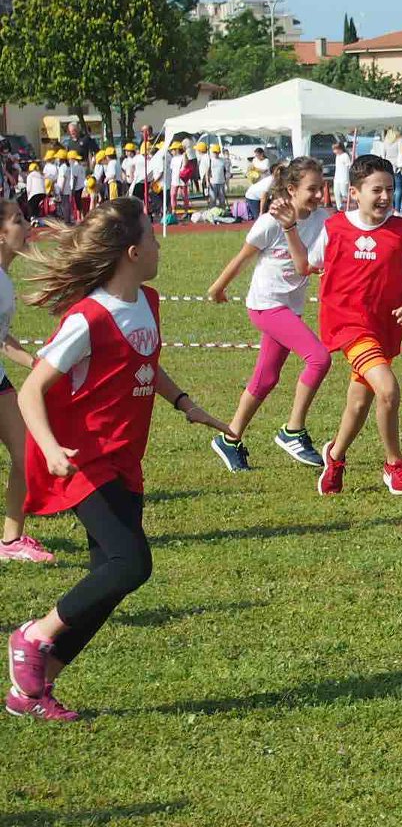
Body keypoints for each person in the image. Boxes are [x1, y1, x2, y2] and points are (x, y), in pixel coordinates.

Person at [8, 198, 236, 721]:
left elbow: (143, 365)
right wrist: (48, 447)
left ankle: (32, 692)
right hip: (82, 459)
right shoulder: (87, 318)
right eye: (154, 237)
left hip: (125, 458)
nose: (161, 245)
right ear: (132, 252)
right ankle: (32, 636)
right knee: (130, 564)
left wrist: (184, 403)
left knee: (105, 584)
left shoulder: (149, 301)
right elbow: (31, 390)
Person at [313, 155, 402, 496]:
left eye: (389, 190)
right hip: (349, 328)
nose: (384, 197)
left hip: (384, 331)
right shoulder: (334, 228)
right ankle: (394, 465)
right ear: (355, 192)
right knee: (389, 390)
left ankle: (335, 457)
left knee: (358, 404)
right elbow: (309, 263)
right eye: (376, 190)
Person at [205, 157, 332, 471]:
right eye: (312, 189)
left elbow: (312, 266)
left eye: (322, 188)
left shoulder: (322, 219)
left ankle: (229, 439)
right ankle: (293, 431)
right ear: (291, 189)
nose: (319, 195)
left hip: (291, 307)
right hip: (265, 305)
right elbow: (243, 257)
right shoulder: (270, 221)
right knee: (319, 358)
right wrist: (218, 287)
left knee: (265, 378)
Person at [0, 198, 55, 564]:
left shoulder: (4, 278)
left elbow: (1, 337)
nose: (27, 225)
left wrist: (36, 363)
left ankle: (10, 542)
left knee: (26, 454)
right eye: (18, 220)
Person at [382, 128, 402, 215]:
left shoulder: (386, 141)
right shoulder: (400, 139)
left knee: (391, 188)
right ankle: (397, 209)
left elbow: (383, 154)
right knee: (399, 189)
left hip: (388, 166)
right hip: (398, 166)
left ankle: (391, 208)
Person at [330, 142, 351, 209]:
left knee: (344, 193)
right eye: (333, 149)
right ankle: (339, 207)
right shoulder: (337, 156)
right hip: (337, 178)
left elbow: (349, 166)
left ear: (340, 149)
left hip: (344, 178)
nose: (334, 151)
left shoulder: (345, 156)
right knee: (336, 193)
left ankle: (355, 200)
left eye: (335, 149)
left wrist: (349, 177)